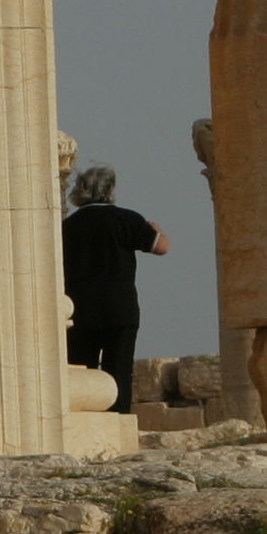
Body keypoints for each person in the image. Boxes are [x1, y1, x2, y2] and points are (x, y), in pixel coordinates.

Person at [61, 164, 170, 414]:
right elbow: (162, 247)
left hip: (80, 308)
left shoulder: (68, 226)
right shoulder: (126, 219)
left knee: (81, 368)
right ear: (110, 190)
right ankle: (119, 418)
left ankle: (84, 421)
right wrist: (158, 231)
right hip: (120, 307)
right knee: (119, 368)